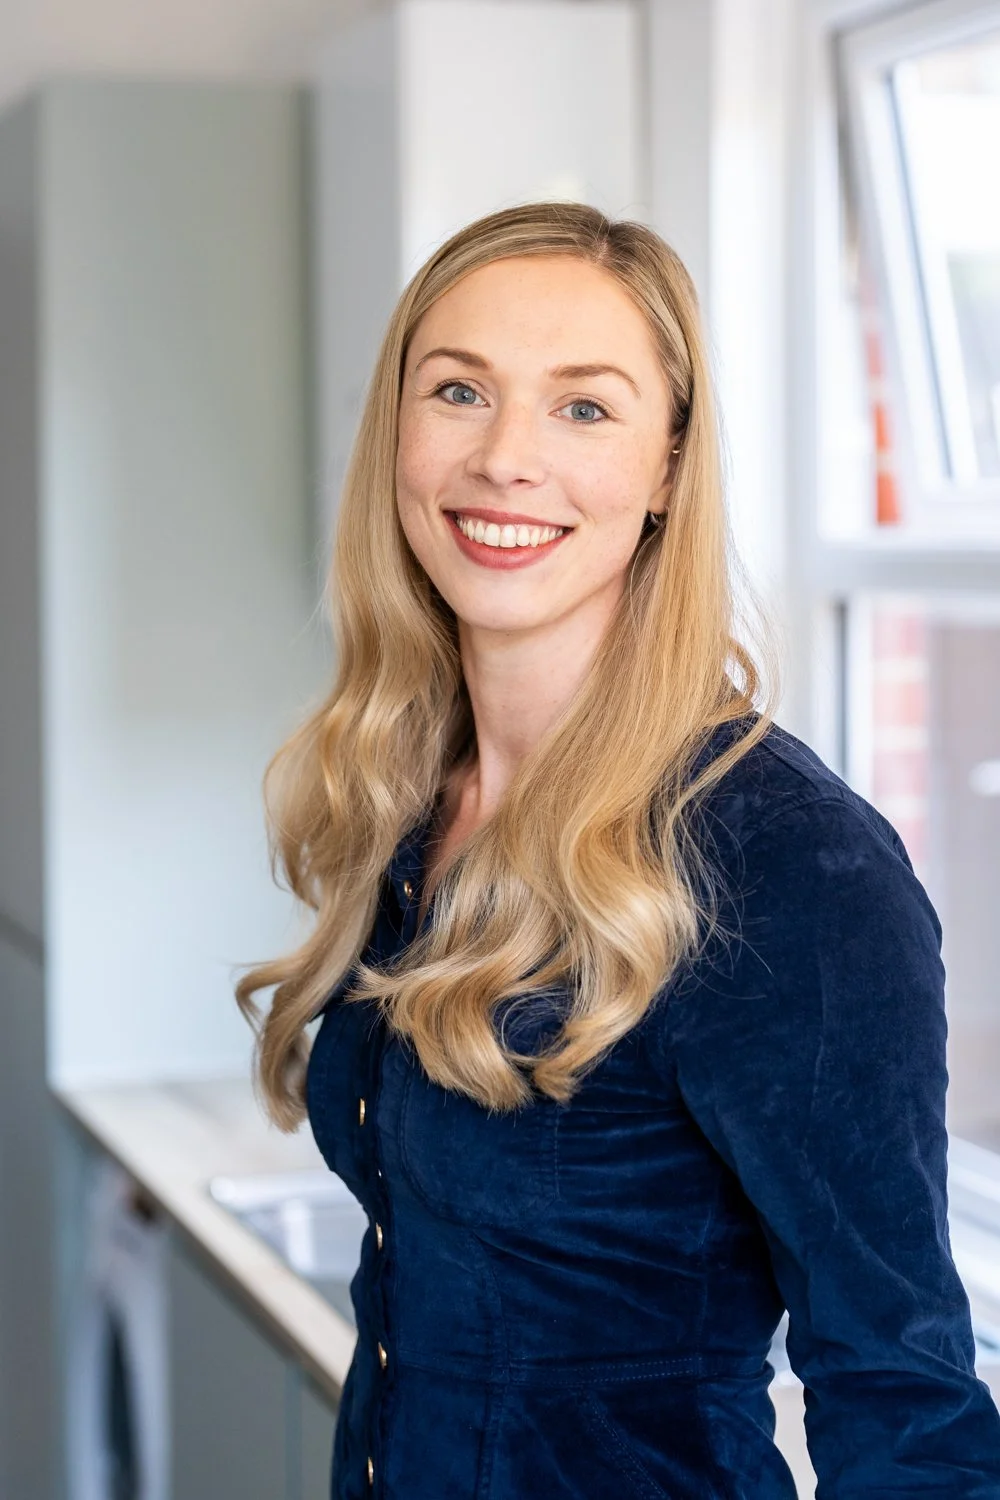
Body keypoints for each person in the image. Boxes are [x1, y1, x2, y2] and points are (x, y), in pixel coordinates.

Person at [234, 201, 1000, 1499]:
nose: (506, 459)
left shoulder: (788, 870)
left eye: (583, 408)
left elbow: (903, 1398)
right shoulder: (419, 793)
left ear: (666, 470)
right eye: (460, 391)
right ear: (398, 435)